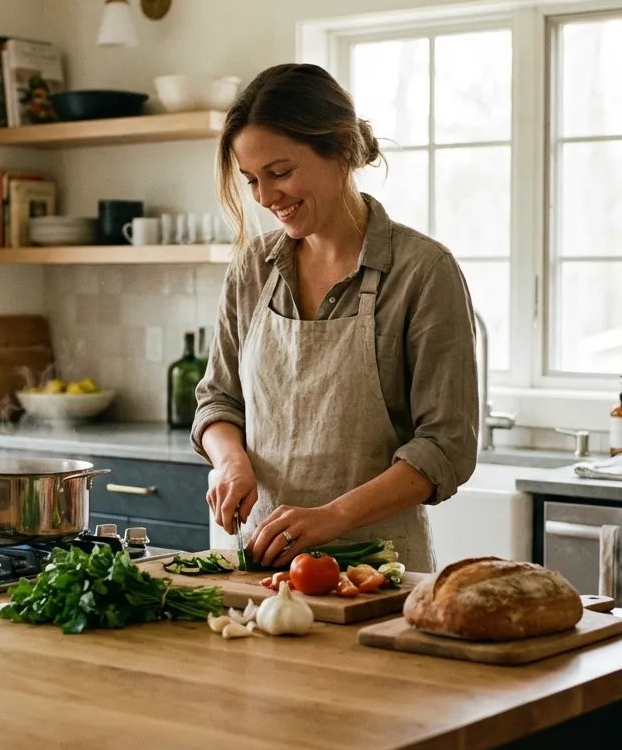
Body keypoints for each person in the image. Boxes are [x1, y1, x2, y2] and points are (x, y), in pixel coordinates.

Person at [191, 63, 480, 574]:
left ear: (342, 148)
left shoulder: (422, 272)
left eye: (280, 172)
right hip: (257, 569)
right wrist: (229, 459)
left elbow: (446, 448)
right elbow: (218, 399)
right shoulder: (252, 269)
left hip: (376, 575)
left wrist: (332, 517)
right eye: (252, 180)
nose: (264, 197)